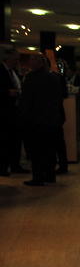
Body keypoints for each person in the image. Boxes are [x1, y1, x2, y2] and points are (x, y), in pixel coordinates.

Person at [18, 54, 66, 186]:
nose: (30, 63)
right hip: (51, 119)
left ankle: (38, 177)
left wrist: (23, 116)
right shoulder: (53, 78)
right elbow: (59, 98)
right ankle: (50, 175)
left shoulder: (31, 78)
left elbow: (26, 100)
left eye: (31, 61)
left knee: (36, 150)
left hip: (35, 120)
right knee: (49, 149)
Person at [0, 48, 28, 176]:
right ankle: (3, 167)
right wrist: (7, 92)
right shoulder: (1, 71)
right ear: (8, 58)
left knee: (15, 140)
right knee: (5, 140)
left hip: (15, 111)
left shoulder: (14, 72)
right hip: (4, 112)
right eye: (15, 58)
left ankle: (15, 165)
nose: (17, 61)